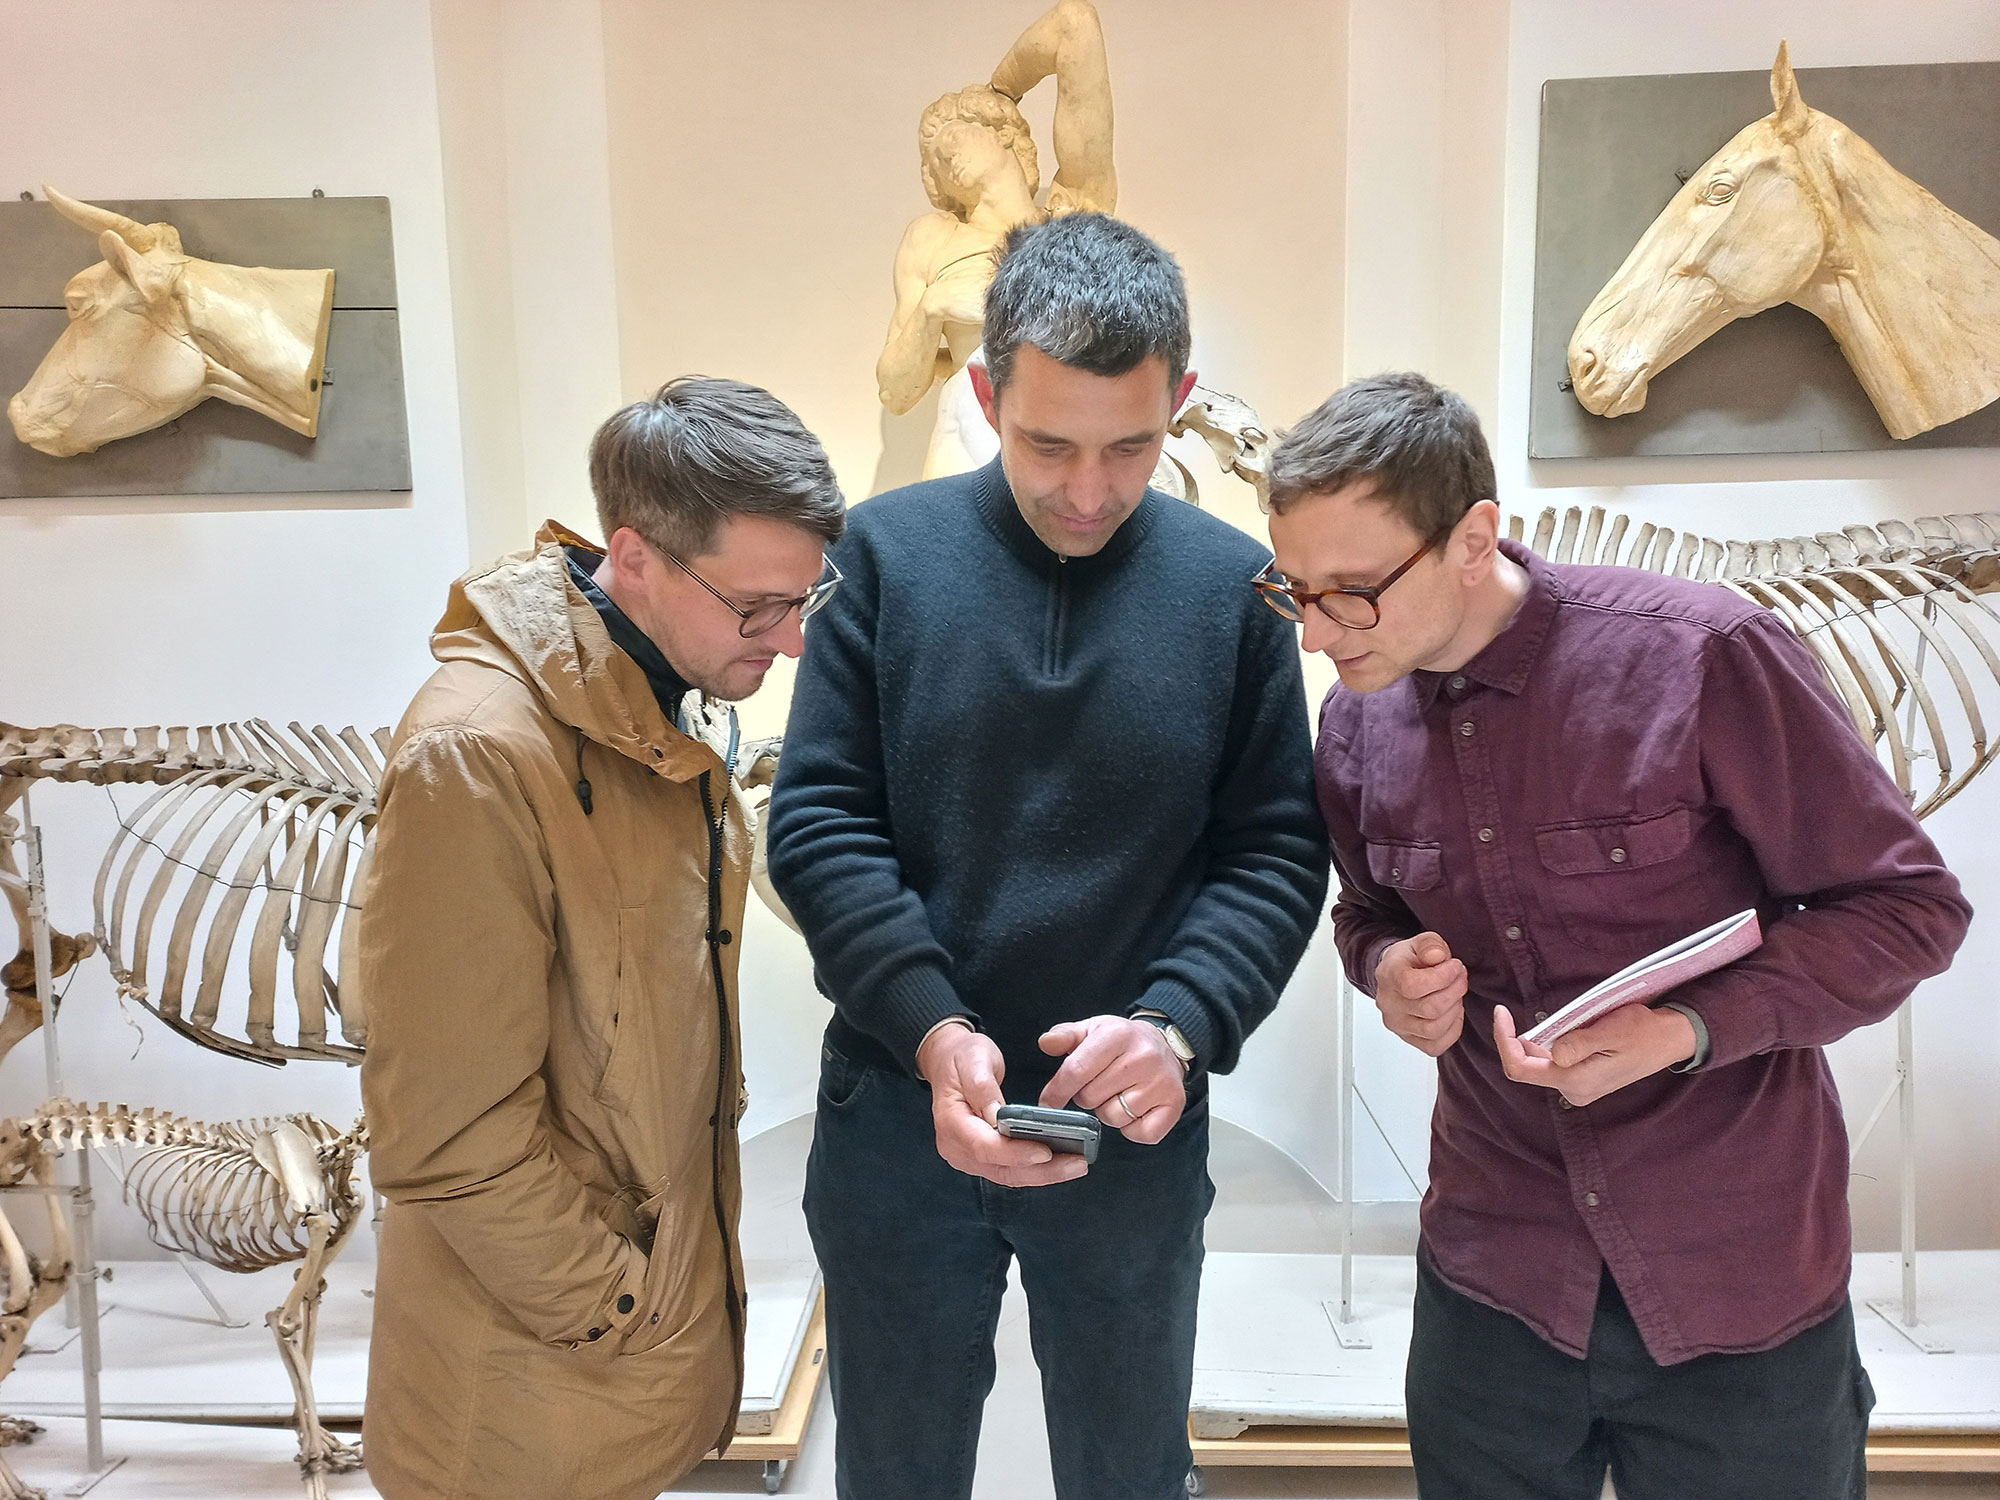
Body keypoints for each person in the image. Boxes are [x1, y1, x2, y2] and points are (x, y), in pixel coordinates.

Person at [1264, 372, 1973, 1500]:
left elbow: (1906, 909)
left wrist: (1686, 1029)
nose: (1314, 633)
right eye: (1292, 589)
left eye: (1351, 592)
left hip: (1733, 1280)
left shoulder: (1700, 657)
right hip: (1493, 1284)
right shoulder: (1356, 718)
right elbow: (1367, 911)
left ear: (1471, 536)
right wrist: (1386, 969)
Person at [768, 211, 1329, 1500]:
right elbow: (817, 823)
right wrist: (925, 1023)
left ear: (1181, 403)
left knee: (1128, 1471)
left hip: (1127, 1129)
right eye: (1046, 444)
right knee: (896, 1469)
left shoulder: (1235, 592)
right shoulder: (878, 559)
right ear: (984, 394)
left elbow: (1272, 852)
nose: (1088, 489)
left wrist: (1179, 1025)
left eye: (1131, 446)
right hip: (897, 1116)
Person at [356, 377, 845, 1500]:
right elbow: (445, 1137)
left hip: (602, 1393)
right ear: (633, 559)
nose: (795, 642)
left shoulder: (646, 715)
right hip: (520, 1410)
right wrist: (622, 1309)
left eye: (802, 599)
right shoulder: (479, 756)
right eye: (759, 607)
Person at [877, 0, 1115, 477]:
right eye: (934, 162)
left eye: (951, 138)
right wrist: (933, 309)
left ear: (1000, 134)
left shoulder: (1072, 216)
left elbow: (1074, 23)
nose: (942, 157)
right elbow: (895, 393)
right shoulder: (933, 238)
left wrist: (1002, 90)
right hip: (968, 426)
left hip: (1068, 429)